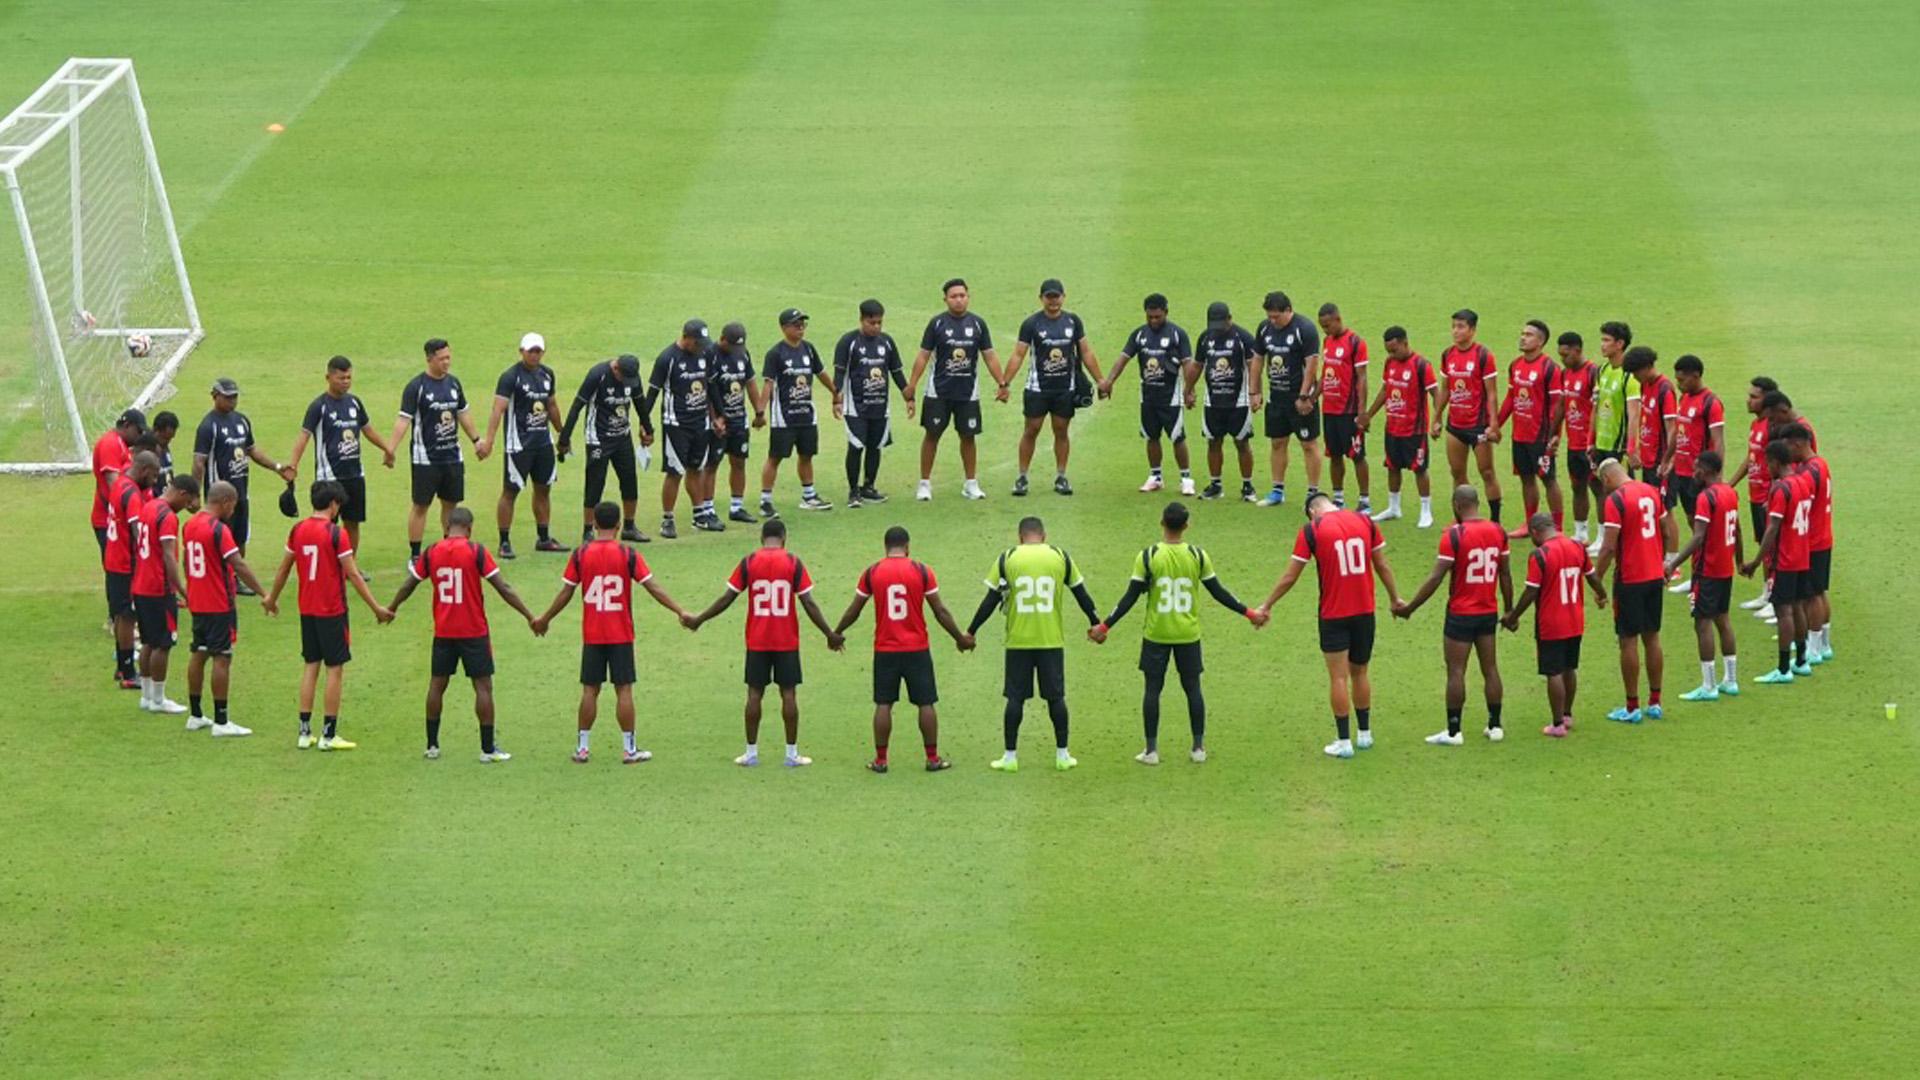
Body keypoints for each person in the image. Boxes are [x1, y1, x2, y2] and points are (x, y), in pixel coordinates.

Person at [1092, 501, 1264, 764]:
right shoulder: (1197, 555)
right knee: (1193, 689)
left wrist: (1105, 626)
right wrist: (1249, 612)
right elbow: (1219, 592)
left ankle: (1151, 751)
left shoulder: (1148, 556)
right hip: (1188, 634)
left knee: (1152, 690)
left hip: (1156, 634)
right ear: (1186, 525)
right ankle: (1198, 749)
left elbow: (1130, 598)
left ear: (1162, 523)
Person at [531, 502, 691, 764]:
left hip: (593, 635)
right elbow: (653, 587)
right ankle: (629, 750)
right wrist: (679, 610)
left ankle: (582, 748)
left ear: (594, 524)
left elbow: (566, 592)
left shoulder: (581, 554)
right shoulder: (627, 554)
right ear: (618, 525)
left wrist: (544, 619)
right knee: (624, 690)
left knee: (589, 690)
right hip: (621, 635)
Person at [1251, 493, 1403, 758]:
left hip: (1334, 614)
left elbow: (1290, 576)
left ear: (1312, 511)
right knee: (1361, 672)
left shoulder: (1313, 530)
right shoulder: (1365, 522)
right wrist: (1394, 598)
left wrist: (1267, 605)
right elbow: (1382, 564)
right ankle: (1365, 735)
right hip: (1365, 611)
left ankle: (1344, 742)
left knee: (1338, 677)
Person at [685, 519, 844, 767]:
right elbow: (809, 603)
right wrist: (829, 634)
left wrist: (700, 619)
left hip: (757, 640)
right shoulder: (793, 562)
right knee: (788, 694)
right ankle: (791, 754)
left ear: (761, 538)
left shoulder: (750, 562)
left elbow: (727, 598)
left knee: (754, 693)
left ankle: (751, 753)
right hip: (786, 640)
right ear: (785, 537)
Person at [387, 507, 539, 762]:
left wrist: (391, 607)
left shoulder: (432, 551)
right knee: (483, 686)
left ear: (447, 527)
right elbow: (504, 588)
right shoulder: (475, 551)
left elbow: (409, 583)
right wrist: (529, 616)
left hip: (444, 631)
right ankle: (487, 749)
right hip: (473, 631)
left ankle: (432, 745)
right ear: (469, 529)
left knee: (437, 685)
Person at [264, 481, 394, 751]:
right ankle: (328, 733)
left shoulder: (298, 530)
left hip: (307, 609)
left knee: (311, 665)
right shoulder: (336, 534)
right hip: (331, 610)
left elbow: (283, 570)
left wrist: (271, 598)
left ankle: (304, 732)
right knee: (334, 669)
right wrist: (376, 608)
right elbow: (353, 574)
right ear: (334, 504)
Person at [830, 525, 971, 773]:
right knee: (926, 703)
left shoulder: (873, 572)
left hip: (885, 649)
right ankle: (933, 758)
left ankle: (881, 760)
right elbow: (940, 611)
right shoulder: (921, 570)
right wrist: (959, 637)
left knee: (884, 703)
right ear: (907, 546)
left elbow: (855, 609)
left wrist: (837, 633)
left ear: (886, 547)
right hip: (917, 648)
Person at [966, 516, 1101, 772]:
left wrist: (971, 631)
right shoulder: (1060, 556)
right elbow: (1081, 594)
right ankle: (1063, 755)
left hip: (1019, 641)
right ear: (1044, 535)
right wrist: (1096, 623)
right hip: (1051, 640)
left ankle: (1010, 756)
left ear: (1020, 537)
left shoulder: (1008, 558)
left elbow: (990, 600)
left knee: (1015, 699)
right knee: (1056, 698)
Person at [1393, 486, 1513, 745]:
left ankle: (1453, 731)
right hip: (1488, 611)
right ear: (1477, 503)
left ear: (1457, 506)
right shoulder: (1498, 531)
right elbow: (1505, 574)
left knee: (1456, 670)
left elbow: (1436, 577)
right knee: (1490, 668)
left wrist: (1410, 608)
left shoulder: (1455, 535)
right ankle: (1495, 726)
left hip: (1461, 613)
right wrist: (1510, 610)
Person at [181, 480, 272, 737]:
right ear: (225, 502)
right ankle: (221, 722)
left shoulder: (189, 525)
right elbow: (238, 565)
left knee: (198, 653)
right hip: (218, 603)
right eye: (233, 505)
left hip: (197, 601)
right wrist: (265, 594)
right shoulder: (218, 529)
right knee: (222, 657)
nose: (234, 510)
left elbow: (188, 562)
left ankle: (196, 715)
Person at [1501, 513, 1606, 738]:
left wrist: (1512, 616)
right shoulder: (1577, 547)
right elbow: (1592, 576)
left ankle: (1557, 724)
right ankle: (1567, 715)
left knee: (1553, 672)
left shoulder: (1540, 554)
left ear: (1536, 533)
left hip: (1551, 623)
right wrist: (1602, 595)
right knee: (1570, 667)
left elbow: (1531, 591)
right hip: (1575, 620)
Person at [1591, 459, 1674, 722]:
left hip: (1630, 578)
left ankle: (1632, 706)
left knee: (1628, 640)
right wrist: (1665, 562)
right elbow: (1666, 530)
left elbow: (1608, 548)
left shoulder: (1616, 500)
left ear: (1606, 479)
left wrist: (1596, 580)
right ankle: (1656, 702)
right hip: (1654, 576)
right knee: (1653, 637)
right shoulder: (1650, 491)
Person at [1004, 278, 1103, 497]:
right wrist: (1005, 382)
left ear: (1063, 297)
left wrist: (1100, 380)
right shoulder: (1031, 324)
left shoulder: (1073, 322)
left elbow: (1086, 352)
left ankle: (1061, 476)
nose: (1053, 301)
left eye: (1056, 296)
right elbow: (1018, 354)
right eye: (1048, 297)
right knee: (1031, 430)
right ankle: (1022, 477)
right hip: (1038, 388)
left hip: (1064, 389)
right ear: (1041, 299)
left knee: (1061, 430)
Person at [288, 355, 394, 556]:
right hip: (329, 477)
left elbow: (367, 429)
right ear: (328, 377)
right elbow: (304, 436)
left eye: (348, 378)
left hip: (354, 474)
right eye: (341, 378)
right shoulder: (319, 406)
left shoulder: (354, 403)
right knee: (325, 524)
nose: (346, 382)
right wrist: (293, 465)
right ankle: (327, 562)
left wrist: (386, 448)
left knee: (353, 522)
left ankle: (349, 564)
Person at [908, 278, 1004, 501]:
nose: (959, 300)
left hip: (968, 393)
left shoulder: (978, 324)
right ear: (946, 299)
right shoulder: (937, 324)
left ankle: (971, 483)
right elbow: (923, 356)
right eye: (954, 296)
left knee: (968, 437)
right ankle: (924, 484)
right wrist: (911, 385)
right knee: (932, 435)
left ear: (968, 297)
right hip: (938, 392)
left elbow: (989, 355)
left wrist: (1002, 382)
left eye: (962, 295)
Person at [390, 338, 483, 562]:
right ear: (429, 358)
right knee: (421, 505)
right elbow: (404, 420)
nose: (446, 362)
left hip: (452, 456)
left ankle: (449, 546)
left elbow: (462, 413)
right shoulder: (417, 387)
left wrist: (476, 439)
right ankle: (415, 555)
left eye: (448, 357)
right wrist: (390, 448)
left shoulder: (454, 384)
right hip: (426, 459)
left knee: (451, 505)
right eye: (442, 359)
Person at [1663, 451, 1743, 701]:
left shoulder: (1705, 498)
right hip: (1725, 569)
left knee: (1703, 624)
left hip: (1707, 570)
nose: (1693, 472)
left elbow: (1698, 537)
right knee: (1723, 620)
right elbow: (1737, 529)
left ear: (1707, 470)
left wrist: (1672, 563)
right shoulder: (1730, 492)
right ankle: (1731, 680)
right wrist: (1739, 560)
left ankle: (1709, 685)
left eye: (1697, 468)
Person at [479, 332, 564, 558]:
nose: (535, 355)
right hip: (518, 445)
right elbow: (498, 409)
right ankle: (504, 541)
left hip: (543, 442)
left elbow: (552, 405)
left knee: (544, 488)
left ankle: (544, 537)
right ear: (521, 351)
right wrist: (489, 440)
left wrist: (561, 433)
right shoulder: (510, 377)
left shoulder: (547, 375)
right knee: (511, 491)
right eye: (531, 351)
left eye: (538, 351)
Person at [1102, 293, 1195, 496]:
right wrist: (1109, 381)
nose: (1153, 321)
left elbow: (1188, 363)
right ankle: (1156, 477)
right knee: (1151, 436)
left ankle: (1186, 478)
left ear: (1166, 313)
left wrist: (1190, 390)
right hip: (1148, 395)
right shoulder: (1139, 335)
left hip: (1171, 396)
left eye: (1157, 317)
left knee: (1177, 437)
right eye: (1150, 317)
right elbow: (1123, 358)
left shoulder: (1178, 334)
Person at [194, 377, 296, 561]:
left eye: (234, 397)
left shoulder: (242, 421)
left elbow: (252, 450)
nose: (232, 400)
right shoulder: (208, 426)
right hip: (219, 497)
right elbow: (199, 461)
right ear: (215, 396)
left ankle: (235, 578)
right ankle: (222, 577)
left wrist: (277, 467)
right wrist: (195, 495)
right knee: (220, 538)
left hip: (241, 493)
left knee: (240, 537)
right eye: (228, 397)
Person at [1741, 440, 1817, 683]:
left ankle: (1783, 669)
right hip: (1803, 555)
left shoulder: (1780, 488)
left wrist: (1755, 562)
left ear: (1775, 461)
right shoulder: (1803, 482)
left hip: (1785, 559)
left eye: (1767, 463)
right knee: (1797, 607)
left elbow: (1772, 529)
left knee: (1783, 611)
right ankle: (1802, 661)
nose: (1765, 468)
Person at [559, 353, 651, 543]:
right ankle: (587, 530)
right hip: (598, 438)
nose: (626, 382)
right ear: (615, 368)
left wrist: (648, 429)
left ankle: (629, 526)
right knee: (595, 484)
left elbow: (640, 402)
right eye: (623, 377)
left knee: (629, 481)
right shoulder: (597, 375)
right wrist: (564, 438)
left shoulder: (631, 377)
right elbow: (578, 406)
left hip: (622, 437)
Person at [832, 299, 914, 508]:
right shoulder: (848, 342)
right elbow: (840, 372)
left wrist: (908, 396)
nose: (876, 327)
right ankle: (853, 491)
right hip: (855, 407)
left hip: (880, 406)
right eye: (872, 322)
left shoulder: (886, 342)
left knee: (875, 447)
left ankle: (868, 487)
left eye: (879, 322)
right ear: (862, 320)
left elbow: (896, 371)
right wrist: (836, 397)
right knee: (856, 446)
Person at [644, 320, 721, 537]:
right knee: (675, 472)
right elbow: (653, 392)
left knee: (696, 468)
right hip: (676, 424)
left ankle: (699, 515)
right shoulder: (667, 359)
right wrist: (645, 423)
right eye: (697, 342)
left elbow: (711, 387)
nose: (700, 347)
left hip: (701, 422)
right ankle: (667, 519)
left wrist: (719, 416)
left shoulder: (705, 354)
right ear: (686, 337)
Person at [132, 474, 199, 715]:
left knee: (149, 641)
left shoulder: (148, 507)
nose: (188, 506)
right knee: (163, 643)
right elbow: (168, 556)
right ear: (182, 494)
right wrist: (182, 589)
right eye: (189, 500)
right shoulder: (167, 517)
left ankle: (147, 696)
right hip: (158, 589)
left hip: (140, 585)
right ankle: (158, 700)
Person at [759, 307, 833, 516]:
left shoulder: (808, 349)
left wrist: (835, 392)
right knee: (775, 457)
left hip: (807, 414)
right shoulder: (775, 353)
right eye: (796, 324)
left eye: (803, 324)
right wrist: (760, 411)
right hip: (784, 417)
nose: (801, 328)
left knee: (806, 455)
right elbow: (768, 384)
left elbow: (821, 373)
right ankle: (765, 501)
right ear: (784, 328)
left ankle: (808, 496)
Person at [1251, 290, 1322, 506]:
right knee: (1277, 442)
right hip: (1276, 398)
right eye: (1269, 316)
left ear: (1288, 310)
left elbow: (1311, 364)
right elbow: (1257, 359)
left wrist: (1304, 396)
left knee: (1308, 444)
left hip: (1299, 399)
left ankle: (1313, 493)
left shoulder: (1305, 329)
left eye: (1277, 316)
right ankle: (1277, 491)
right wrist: (1254, 391)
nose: (1273, 321)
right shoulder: (1265, 329)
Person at [1494, 319, 1563, 537]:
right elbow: (1511, 398)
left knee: (1548, 479)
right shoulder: (1515, 365)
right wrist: (1496, 424)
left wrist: (1555, 436)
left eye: (1529, 334)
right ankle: (1529, 524)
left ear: (1541, 341)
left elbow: (1557, 407)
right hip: (1520, 434)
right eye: (1522, 333)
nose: (1523, 337)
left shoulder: (1550, 368)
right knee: (1526, 478)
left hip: (1541, 436)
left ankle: (1557, 527)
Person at [1365, 327, 1441, 527]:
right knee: (1392, 466)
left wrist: (1437, 419)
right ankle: (1394, 507)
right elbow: (1385, 390)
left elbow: (1436, 394)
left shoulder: (1421, 365)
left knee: (1419, 469)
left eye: (1394, 349)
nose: (1391, 354)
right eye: (1388, 350)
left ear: (1405, 343)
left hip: (1414, 430)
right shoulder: (1390, 362)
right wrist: (1368, 414)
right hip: (1393, 427)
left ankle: (1426, 511)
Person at [1664, 354, 1726, 593]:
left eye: (1682, 380)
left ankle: (1704, 575)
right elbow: (1678, 433)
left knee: (1703, 530)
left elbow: (1718, 441)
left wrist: (1716, 478)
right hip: (1682, 472)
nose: (1679, 384)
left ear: (1696, 376)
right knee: (1693, 523)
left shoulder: (1711, 403)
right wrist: (1668, 459)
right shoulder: (1684, 398)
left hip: (1700, 475)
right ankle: (1697, 574)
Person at [1436, 309, 1503, 523]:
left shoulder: (1484, 355)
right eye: (1454, 326)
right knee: (1457, 474)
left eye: (1461, 327)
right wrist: (1436, 417)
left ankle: (1495, 521)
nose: (1455, 331)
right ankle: (1463, 521)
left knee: (1487, 472)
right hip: (1455, 425)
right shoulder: (1448, 355)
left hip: (1479, 426)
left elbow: (1492, 393)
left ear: (1472, 330)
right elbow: (1445, 390)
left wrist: (1494, 424)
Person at [1190, 301, 1259, 502]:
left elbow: (1253, 367)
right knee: (1213, 442)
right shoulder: (1205, 338)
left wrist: (1255, 394)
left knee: (1242, 442)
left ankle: (1247, 485)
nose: (1218, 330)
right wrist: (1188, 389)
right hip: (1212, 401)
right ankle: (1215, 485)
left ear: (1230, 318)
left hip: (1238, 402)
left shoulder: (1243, 338)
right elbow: (1197, 365)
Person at [102, 446, 157, 688]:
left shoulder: (120, 484)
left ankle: (121, 668)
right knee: (127, 616)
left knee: (122, 614)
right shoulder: (132, 494)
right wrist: (148, 559)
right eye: (153, 476)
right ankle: (127, 671)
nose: (153, 481)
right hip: (126, 563)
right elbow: (137, 531)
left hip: (114, 558)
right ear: (144, 470)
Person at [1783, 424, 1834, 663]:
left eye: (1788, 447)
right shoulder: (1820, 464)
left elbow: (1802, 505)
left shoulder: (1809, 472)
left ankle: (1813, 648)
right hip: (1823, 537)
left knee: (1811, 596)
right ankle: (1823, 643)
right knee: (1819, 592)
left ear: (1799, 444)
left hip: (1812, 541)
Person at [708, 321, 766, 523]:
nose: (735, 350)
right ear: (722, 339)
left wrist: (759, 411)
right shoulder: (711, 355)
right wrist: (715, 419)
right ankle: (707, 510)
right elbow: (708, 392)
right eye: (731, 345)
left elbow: (750, 383)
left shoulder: (743, 354)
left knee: (739, 462)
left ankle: (737, 507)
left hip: (738, 419)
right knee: (712, 464)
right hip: (717, 421)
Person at [1587, 321, 1637, 553]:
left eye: (1607, 340)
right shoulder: (1602, 370)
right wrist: (1591, 439)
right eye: (1602, 339)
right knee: (1601, 490)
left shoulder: (1630, 376)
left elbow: (1634, 415)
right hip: (1602, 443)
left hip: (1618, 446)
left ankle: (1624, 540)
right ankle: (1604, 538)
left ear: (1620, 344)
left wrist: (1631, 447)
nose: (1602, 345)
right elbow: (1596, 408)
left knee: (1620, 496)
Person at [1316, 303, 1370, 512]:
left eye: (1328, 325)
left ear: (1338, 319)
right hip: (1329, 409)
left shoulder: (1356, 342)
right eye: (1322, 326)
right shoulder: (1327, 341)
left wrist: (1362, 411)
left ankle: (1364, 500)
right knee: (1334, 454)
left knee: (1357, 455)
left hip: (1349, 411)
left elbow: (1362, 378)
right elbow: (1326, 373)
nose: (1325, 330)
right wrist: (1313, 397)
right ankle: (1338, 498)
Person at [1554, 332, 1599, 543]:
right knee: (1577, 486)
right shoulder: (1565, 374)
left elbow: (1600, 409)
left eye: (1566, 355)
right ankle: (1581, 533)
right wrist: (1555, 434)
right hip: (1573, 444)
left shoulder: (1593, 372)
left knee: (1598, 489)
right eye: (1561, 356)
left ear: (1578, 350)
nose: (1563, 359)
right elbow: (1563, 404)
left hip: (1591, 444)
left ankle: (1602, 536)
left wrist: (1594, 440)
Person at [92, 408, 143, 561]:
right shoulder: (110, 444)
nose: (139, 436)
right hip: (108, 519)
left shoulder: (121, 444)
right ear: (127, 425)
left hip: (115, 518)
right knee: (117, 569)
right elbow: (115, 486)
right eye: (138, 431)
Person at [149, 411, 180, 494]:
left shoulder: (164, 448)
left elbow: (169, 473)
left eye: (170, 438)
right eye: (165, 438)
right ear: (155, 430)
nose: (168, 442)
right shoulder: (146, 452)